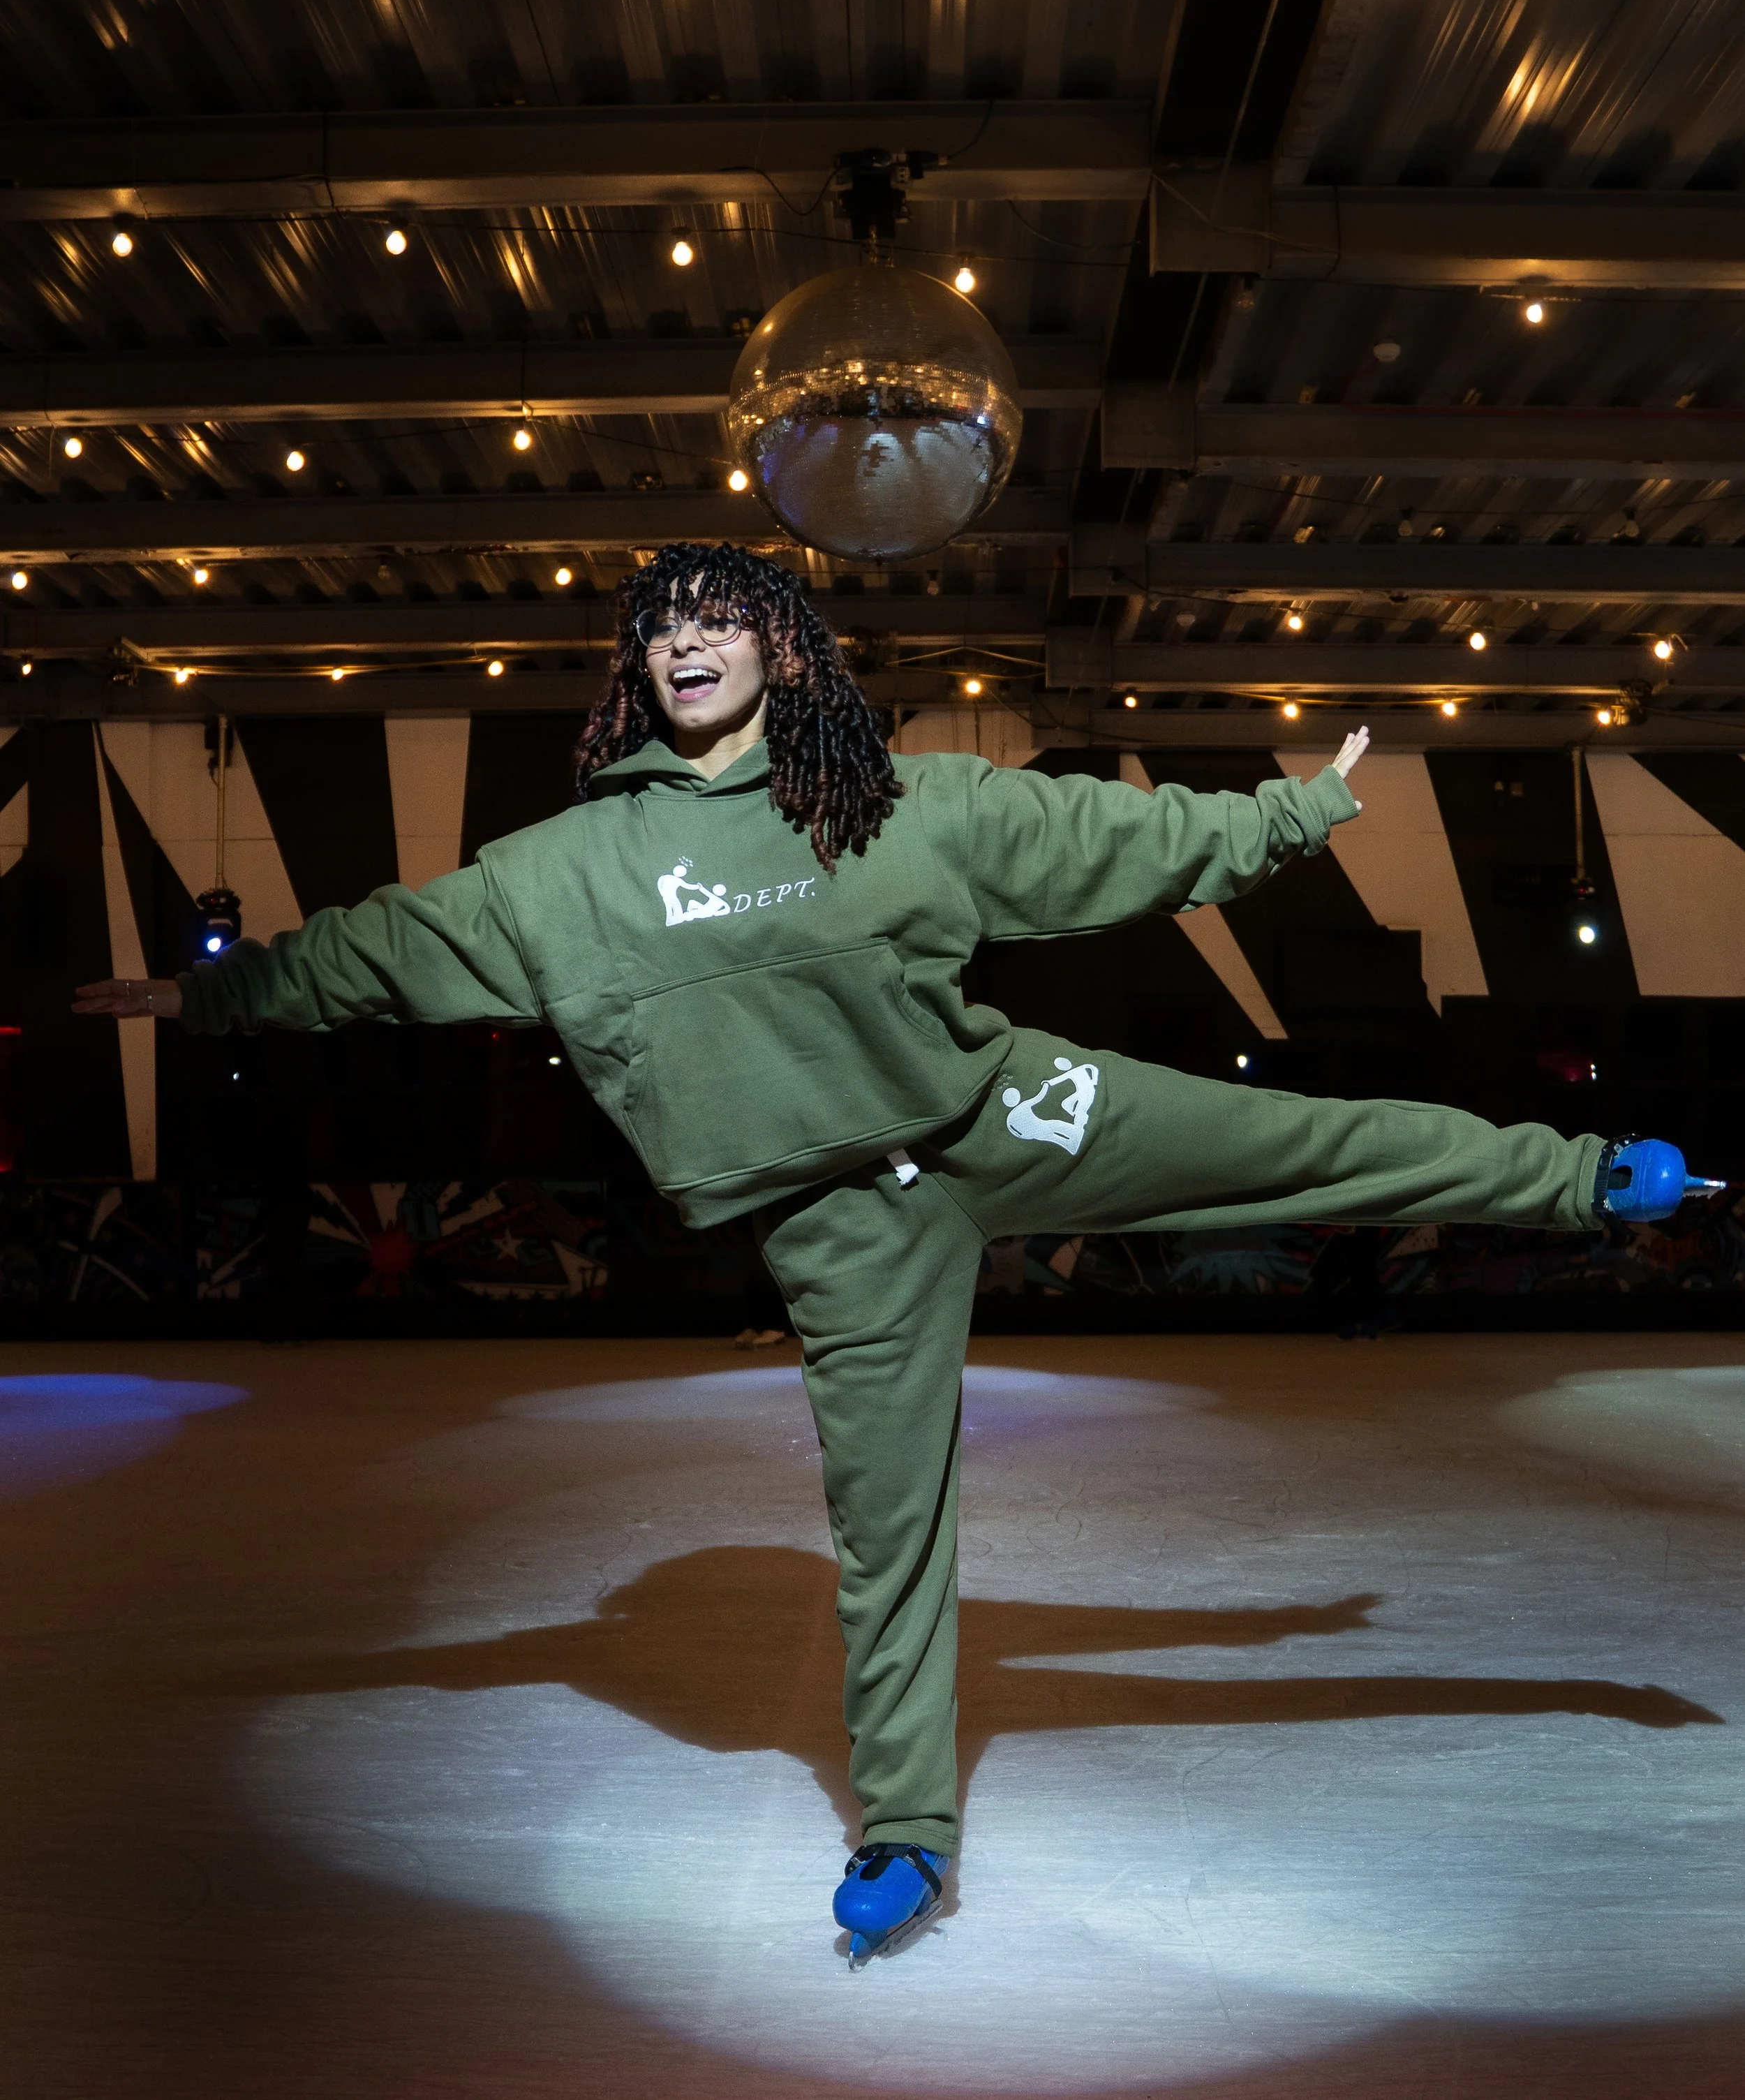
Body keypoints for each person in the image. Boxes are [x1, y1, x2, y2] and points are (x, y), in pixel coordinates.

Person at [75, 540, 1717, 1965]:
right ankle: (907, 1834)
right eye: (660, 627)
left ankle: (1587, 1178)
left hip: (1008, 1108)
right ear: (637, 667)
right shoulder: (569, 873)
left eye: (719, 617)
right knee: (888, 1533)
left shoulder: (892, 801)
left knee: (1299, 1144)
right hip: (839, 1224)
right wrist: (210, 992)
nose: (686, 642)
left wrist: (1294, 814)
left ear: (783, 647)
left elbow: (1103, 843)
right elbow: (385, 949)